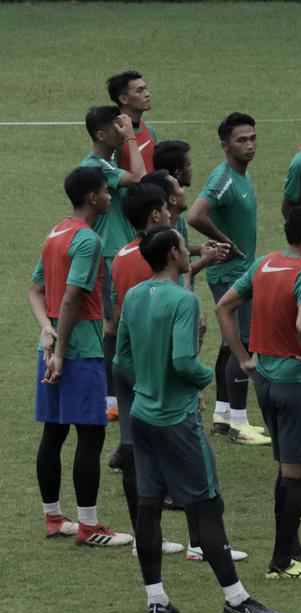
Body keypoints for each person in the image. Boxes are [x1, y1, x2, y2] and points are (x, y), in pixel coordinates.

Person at [115, 226, 283, 613]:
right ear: (175, 253)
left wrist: (148, 384)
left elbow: (121, 361)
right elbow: (183, 363)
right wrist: (206, 377)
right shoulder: (184, 301)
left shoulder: (134, 296)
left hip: (141, 415)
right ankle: (236, 599)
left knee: (150, 506)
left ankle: (156, 598)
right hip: (176, 419)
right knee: (207, 506)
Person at [216, 206, 301, 580]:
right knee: (296, 475)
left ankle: (294, 548)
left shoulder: (264, 264)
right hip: (293, 382)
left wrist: (243, 357)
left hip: (263, 379)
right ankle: (281, 563)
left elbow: (224, 306)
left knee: (288, 469)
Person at [113, 183, 228, 553]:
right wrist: (186, 382)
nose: (172, 209)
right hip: (161, 383)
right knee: (178, 465)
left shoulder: (129, 254)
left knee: (142, 459)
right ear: (155, 217)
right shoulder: (143, 261)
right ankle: (193, 544)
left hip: (145, 379)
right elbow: (155, 311)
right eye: (166, 206)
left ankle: (160, 553)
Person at [28, 166, 133, 547]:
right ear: (93, 197)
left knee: (53, 432)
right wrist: (62, 351)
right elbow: (72, 297)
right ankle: (89, 527)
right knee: (90, 435)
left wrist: (47, 330)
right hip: (81, 350)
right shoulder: (87, 239)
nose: (110, 196)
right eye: (107, 191)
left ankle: (54, 518)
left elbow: (35, 291)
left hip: (53, 347)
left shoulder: (56, 231)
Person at [187, 112, 270, 445]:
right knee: (244, 343)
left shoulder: (242, 176)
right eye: (241, 140)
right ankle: (239, 422)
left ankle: (223, 415)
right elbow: (195, 215)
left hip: (240, 270)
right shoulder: (223, 178)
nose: (249, 145)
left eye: (252, 138)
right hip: (230, 273)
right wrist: (225, 241)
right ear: (225, 145)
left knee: (229, 342)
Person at [81, 105, 146, 421]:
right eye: (116, 128)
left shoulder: (107, 162)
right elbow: (139, 178)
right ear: (101, 134)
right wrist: (132, 139)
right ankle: (110, 397)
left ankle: (122, 390)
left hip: (121, 252)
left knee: (123, 321)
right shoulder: (96, 166)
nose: (122, 132)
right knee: (113, 322)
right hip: (109, 254)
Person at [107, 71, 157, 173]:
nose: (147, 94)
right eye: (139, 91)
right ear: (124, 99)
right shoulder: (114, 134)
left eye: (146, 88)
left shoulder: (150, 130)